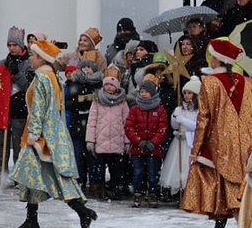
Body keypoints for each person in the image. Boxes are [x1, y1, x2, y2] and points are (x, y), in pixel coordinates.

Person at [9, 39, 97, 228]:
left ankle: (82, 212)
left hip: (43, 136)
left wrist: (33, 135)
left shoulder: (42, 78)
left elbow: (39, 109)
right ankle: (33, 219)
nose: (30, 58)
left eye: (33, 55)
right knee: (34, 175)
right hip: (52, 133)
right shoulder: (52, 76)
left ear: (41, 58)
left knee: (52, 176)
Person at [181, 39, 252, 228]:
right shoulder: (247, 82)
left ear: (218, 58)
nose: (210, 59)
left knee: (231, 192)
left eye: (212, 56)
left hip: (220, 143)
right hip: (244, 143)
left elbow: (204, 118)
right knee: (233, 189)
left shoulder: (210, 83)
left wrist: (196, 150)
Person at [0, 26, 33, 184]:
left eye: (14, 45)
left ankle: (18, 174)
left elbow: (27, 86)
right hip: (3, 111)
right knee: (1, 146)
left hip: (20, 111)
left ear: (21, 46)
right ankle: (0, 173)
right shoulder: (3, 63)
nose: (11, 48)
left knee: (19, 146)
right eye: (9, 45)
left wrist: (16, 73)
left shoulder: (29, 63)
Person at [85, 65, 130, 200]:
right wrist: (90, 140)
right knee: (99, 169)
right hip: (101, 141)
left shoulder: (122, 102)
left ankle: (115, 189)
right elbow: (92, 122)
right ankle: (100, 189)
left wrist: (127, 141)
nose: (109, 87)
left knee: (116, 169)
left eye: (112, 85)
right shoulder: (97, 101)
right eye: (107, 84)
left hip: (117, 141)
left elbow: (126, 123)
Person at [125, 74, 168, 208]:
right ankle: (138, 192)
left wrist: (154, 142)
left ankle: (152, 193)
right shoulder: (135, 109)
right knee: (138, 171)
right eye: (142, 92)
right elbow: (129, 127)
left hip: (154, 148)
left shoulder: (160, 110)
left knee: (153, 172)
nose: (143, 94)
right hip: (138, 147)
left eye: (146, 92)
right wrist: (139, 141)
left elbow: (163, 128)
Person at [64, 56, 103, 195]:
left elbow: (101, 101)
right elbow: (68, 103)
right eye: (84, 67)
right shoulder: (75, 83)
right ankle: (79, 180)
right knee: (78, 154)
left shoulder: (99, 84)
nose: (86, 70)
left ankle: (94, 182)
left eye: (89, 67)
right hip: (78, 124)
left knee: (93, 156)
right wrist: (80, 102)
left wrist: (88, 101)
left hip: (93, 125)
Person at [160, 76, 200, 196]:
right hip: (179, 141)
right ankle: (179, 191)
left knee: (187, 167)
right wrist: (174, 118)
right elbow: (174, 126)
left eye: (190, 93)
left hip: (190, 142)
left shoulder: (198, 111)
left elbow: (196, 126)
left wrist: (183, 121)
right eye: (185, 93)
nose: (187, 96)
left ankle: (189, 190)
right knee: (176, 167)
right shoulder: (179, 109)